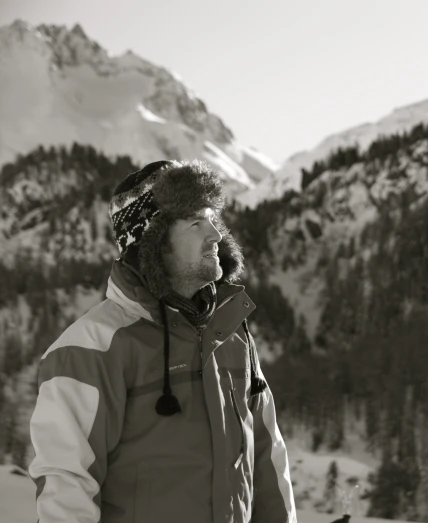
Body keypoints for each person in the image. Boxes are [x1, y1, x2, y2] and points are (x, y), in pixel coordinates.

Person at [27, 160, 296, 523]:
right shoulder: (90, 349)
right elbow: (65, 488)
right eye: (196, 222)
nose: (216, 235)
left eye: (213, 219)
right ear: (153, 241)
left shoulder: (232, 337)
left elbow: (268, 461)